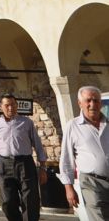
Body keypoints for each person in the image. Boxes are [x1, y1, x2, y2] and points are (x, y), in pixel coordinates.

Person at [0, 95, 48, 221]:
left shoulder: (26, 122)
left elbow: (37, 145)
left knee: (30, 199)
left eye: (13, 104)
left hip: (25, 163)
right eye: (7, 105)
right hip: (4, 164)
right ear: (1, 107)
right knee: (8, 201)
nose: (11, 108)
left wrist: (43, 168)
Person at [61, 85, 108, 220]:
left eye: (96, 100)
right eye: (88, 100)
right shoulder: (73, 126)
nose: (92, 104)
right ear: (80, 103)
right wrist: (68, 188)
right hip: (92, 182)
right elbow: (66, 159)